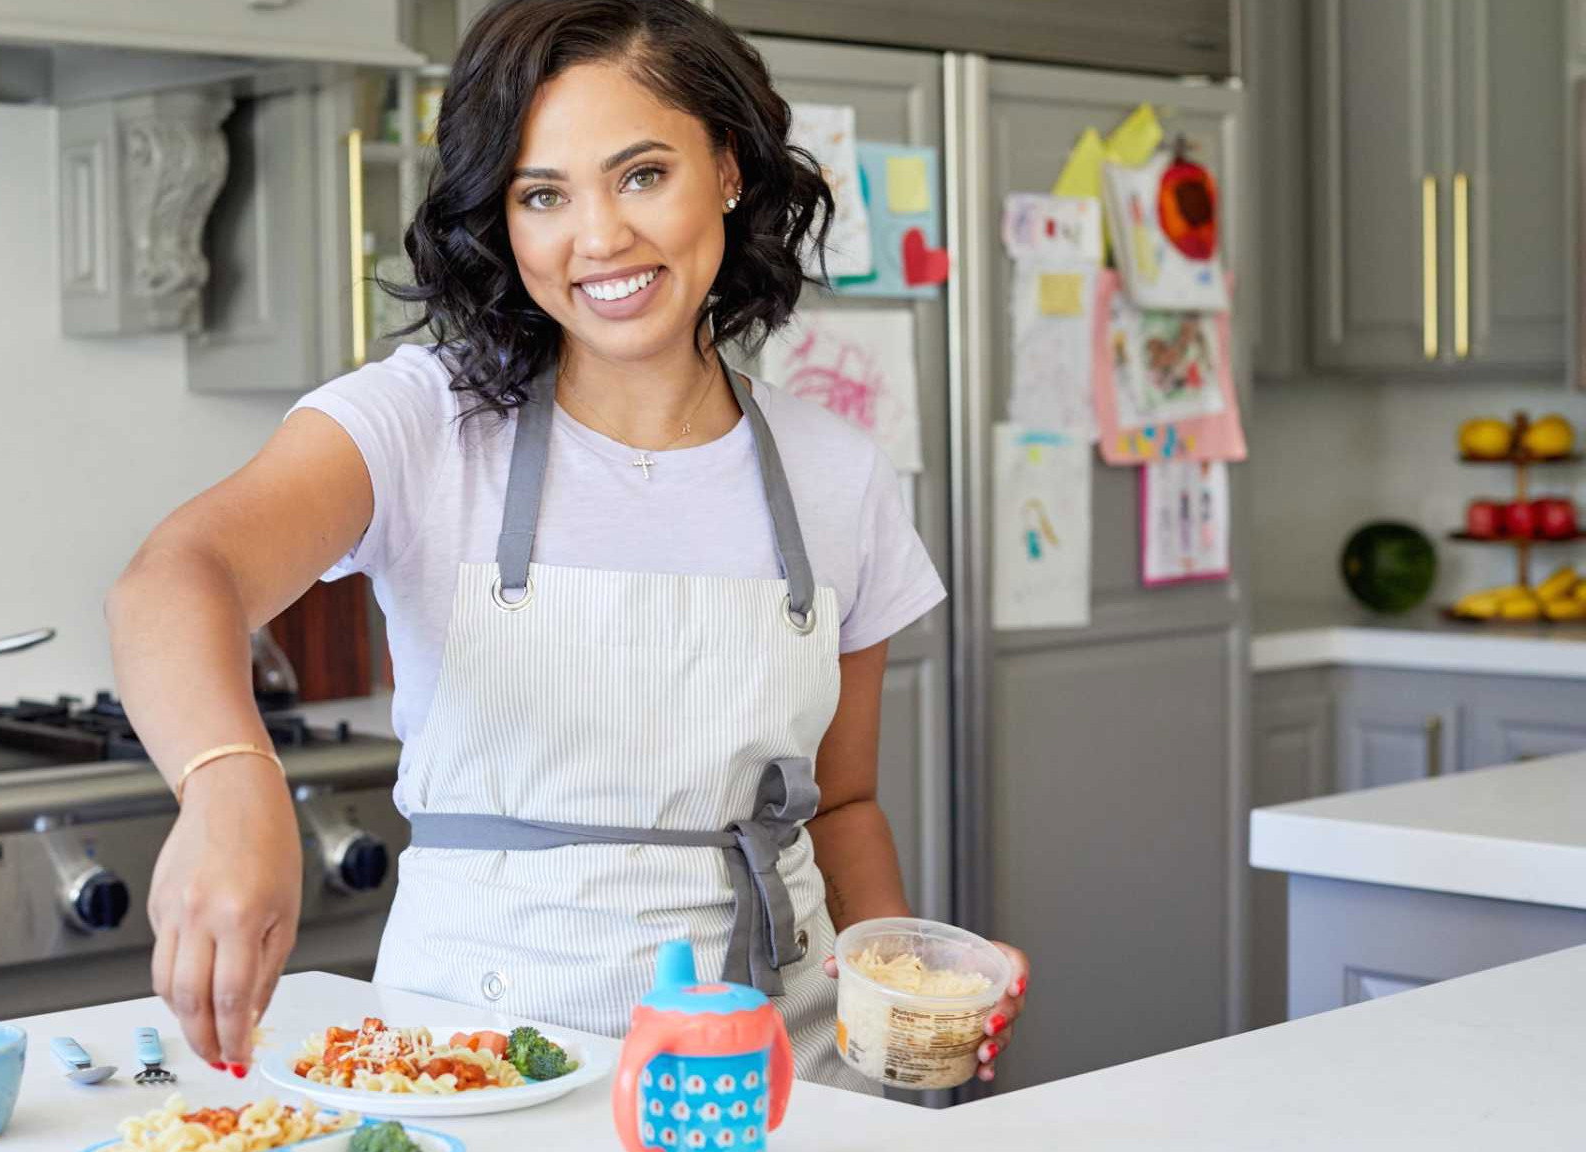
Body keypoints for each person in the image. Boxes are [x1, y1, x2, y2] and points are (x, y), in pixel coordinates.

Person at [107, 0, 1029, 1092]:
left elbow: (839, 805)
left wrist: (904, 1010)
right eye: (542, 195)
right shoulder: (420, 424)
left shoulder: (833, 468)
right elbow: (178, 572)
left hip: (778, 1073)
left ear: (725, 169)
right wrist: (226, 785)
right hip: (477, 1067)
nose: (597, 237)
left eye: (641, 174)